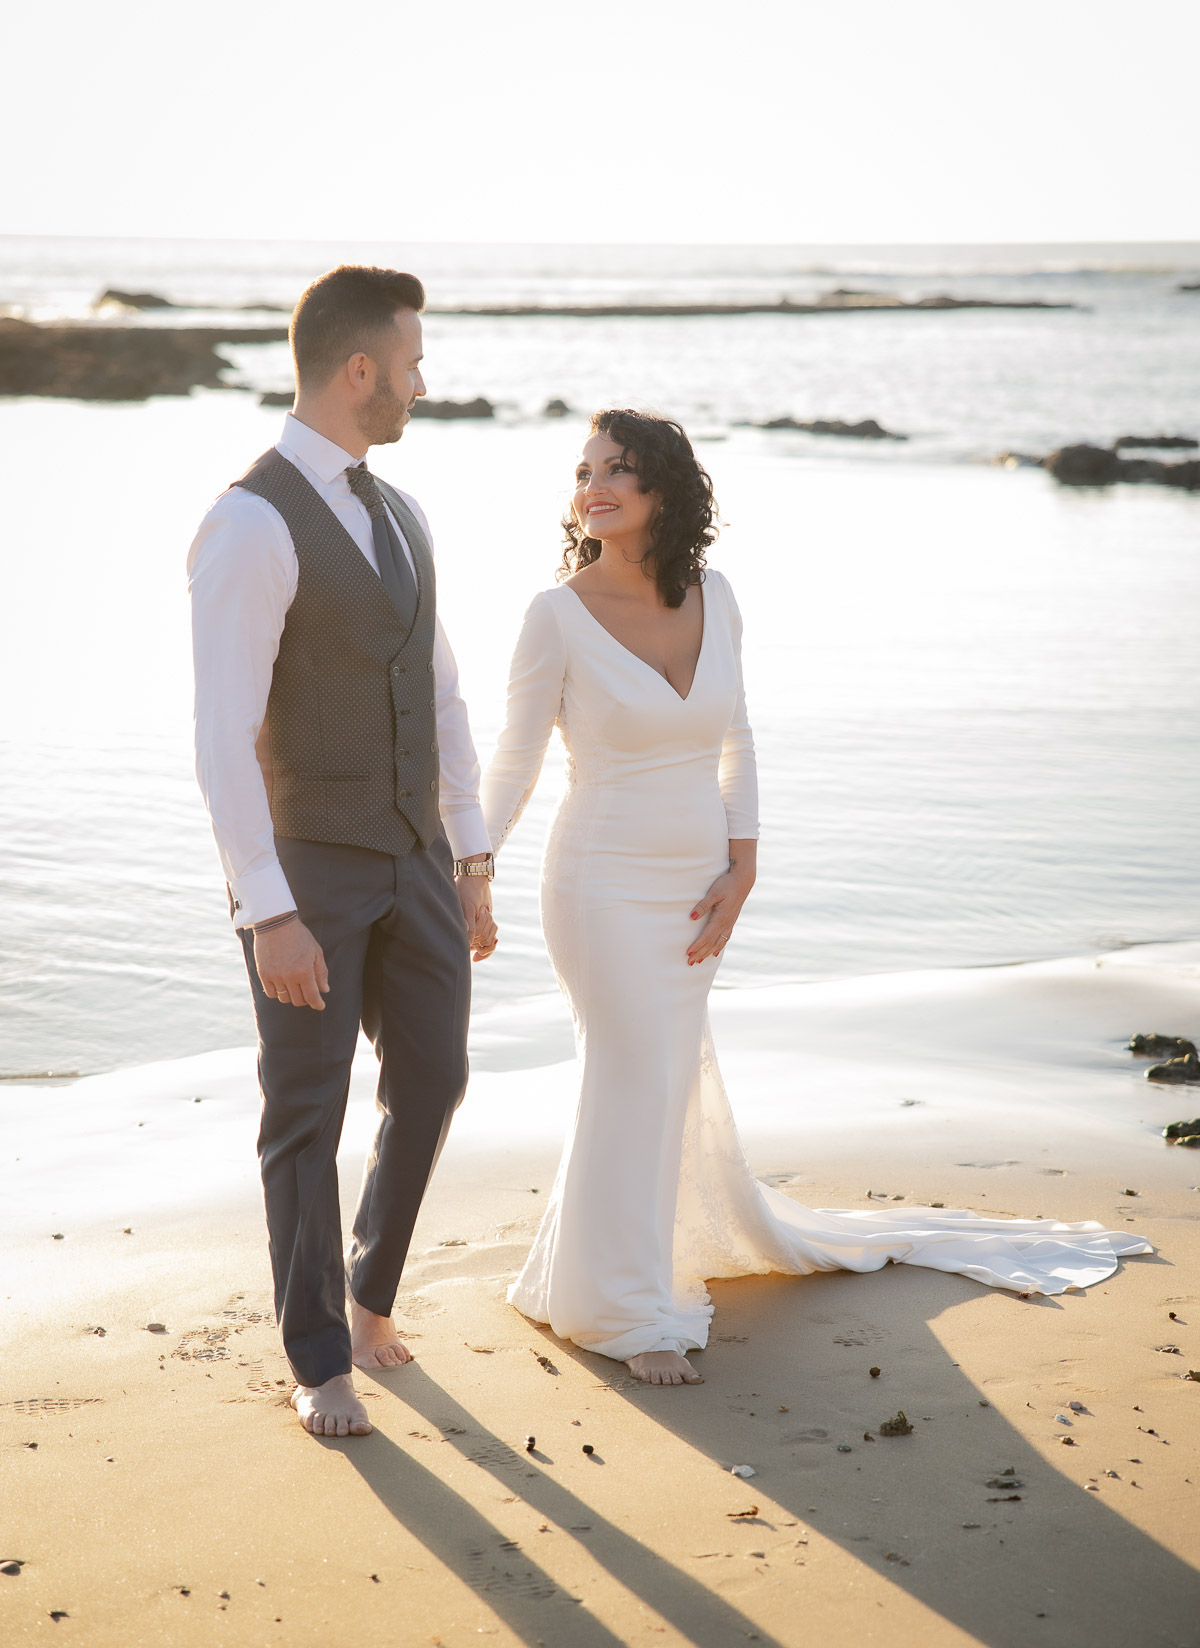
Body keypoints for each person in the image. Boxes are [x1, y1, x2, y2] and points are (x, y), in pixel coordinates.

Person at [480, 408, 1151, 1388]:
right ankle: (620, 1308)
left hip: (697, 886)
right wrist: (471, 869)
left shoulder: (716, 597)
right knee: (629, 1073)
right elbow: (514, 761)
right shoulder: (555, 615)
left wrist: (744, 866)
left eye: (617, 469)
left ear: (665, 487)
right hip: (599, 883)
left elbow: (736, 739)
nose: (595, 487)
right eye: (584, 472)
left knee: (662, 1079)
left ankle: (600, 1273)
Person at [188, 265, 497, 1438]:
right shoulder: (249, 523)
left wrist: (470, 853)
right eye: (412, 363)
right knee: (307, 1109)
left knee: (436, 1076)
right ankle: (320, 1357)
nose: (423, 382)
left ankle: (370, 1291)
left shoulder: (403, 511)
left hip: (418, 857)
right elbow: (221, 737)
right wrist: (266, 908)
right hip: (308, 868)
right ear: (359, 368)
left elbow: (442, 688)